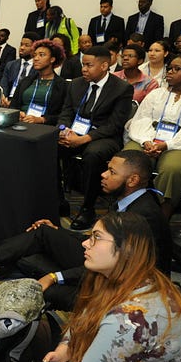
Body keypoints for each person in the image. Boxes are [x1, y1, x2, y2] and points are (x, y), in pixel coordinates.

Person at [0, 212, 181, 362]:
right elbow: (84, 315)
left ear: (126, 249)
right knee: (35, 330)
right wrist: (67, 345)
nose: (85, 243)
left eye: (96, 237)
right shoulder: (129, 277)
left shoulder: (133, 318)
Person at [0, 150, 172, 310]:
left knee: (43, 281)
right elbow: (100, 244)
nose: (103, 174)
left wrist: (56, 277)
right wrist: (59, 233)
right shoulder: (128, 200)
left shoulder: (143, 216)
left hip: (121, 288)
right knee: (43, 236)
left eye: (112, 172)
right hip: (106, 266)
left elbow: (116, 267)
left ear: (132, 180)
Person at [125, 54, 181, 220]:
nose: (170, 72)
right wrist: (147, 141)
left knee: (171, 168)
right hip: (148, 139)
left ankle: (159, 218)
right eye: (169, 68)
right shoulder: (156, 94)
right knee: (129, 160)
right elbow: (141, 119)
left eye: (177, 69)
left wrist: (166, 145)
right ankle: (127, 208)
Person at [57, 46, 134, 229]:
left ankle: (87, 208)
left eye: (89, 65)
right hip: (74, 133)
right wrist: (63, 129)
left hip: (103, 137)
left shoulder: (122, 88)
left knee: (93, 155)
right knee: (48, 145)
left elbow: (114, 125)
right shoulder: (76, 84)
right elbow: (65, 112)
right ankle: (58, 199)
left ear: (104, 65)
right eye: (83, 64)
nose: (84, 69)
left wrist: (84, 139)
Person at [9, 39, 67, 126]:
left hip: (44, 128)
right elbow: (13, 106)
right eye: (35, 55)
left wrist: (42, 119)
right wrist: (18, 113)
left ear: (52, 59)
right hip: (21, 123)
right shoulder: (26, 81)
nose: (36, 58)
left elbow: (63, 115)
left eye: (41, 55)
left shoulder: (62, 85)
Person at [0, 33, 38, 106]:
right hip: (7, 100)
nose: (22, 48)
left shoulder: (37, 67)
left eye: (26, 45)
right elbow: (4, 84)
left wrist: (14, 103)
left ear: (35, 49)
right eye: (21, 44)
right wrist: (4, 97)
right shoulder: (11, 65)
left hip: (24, 102)